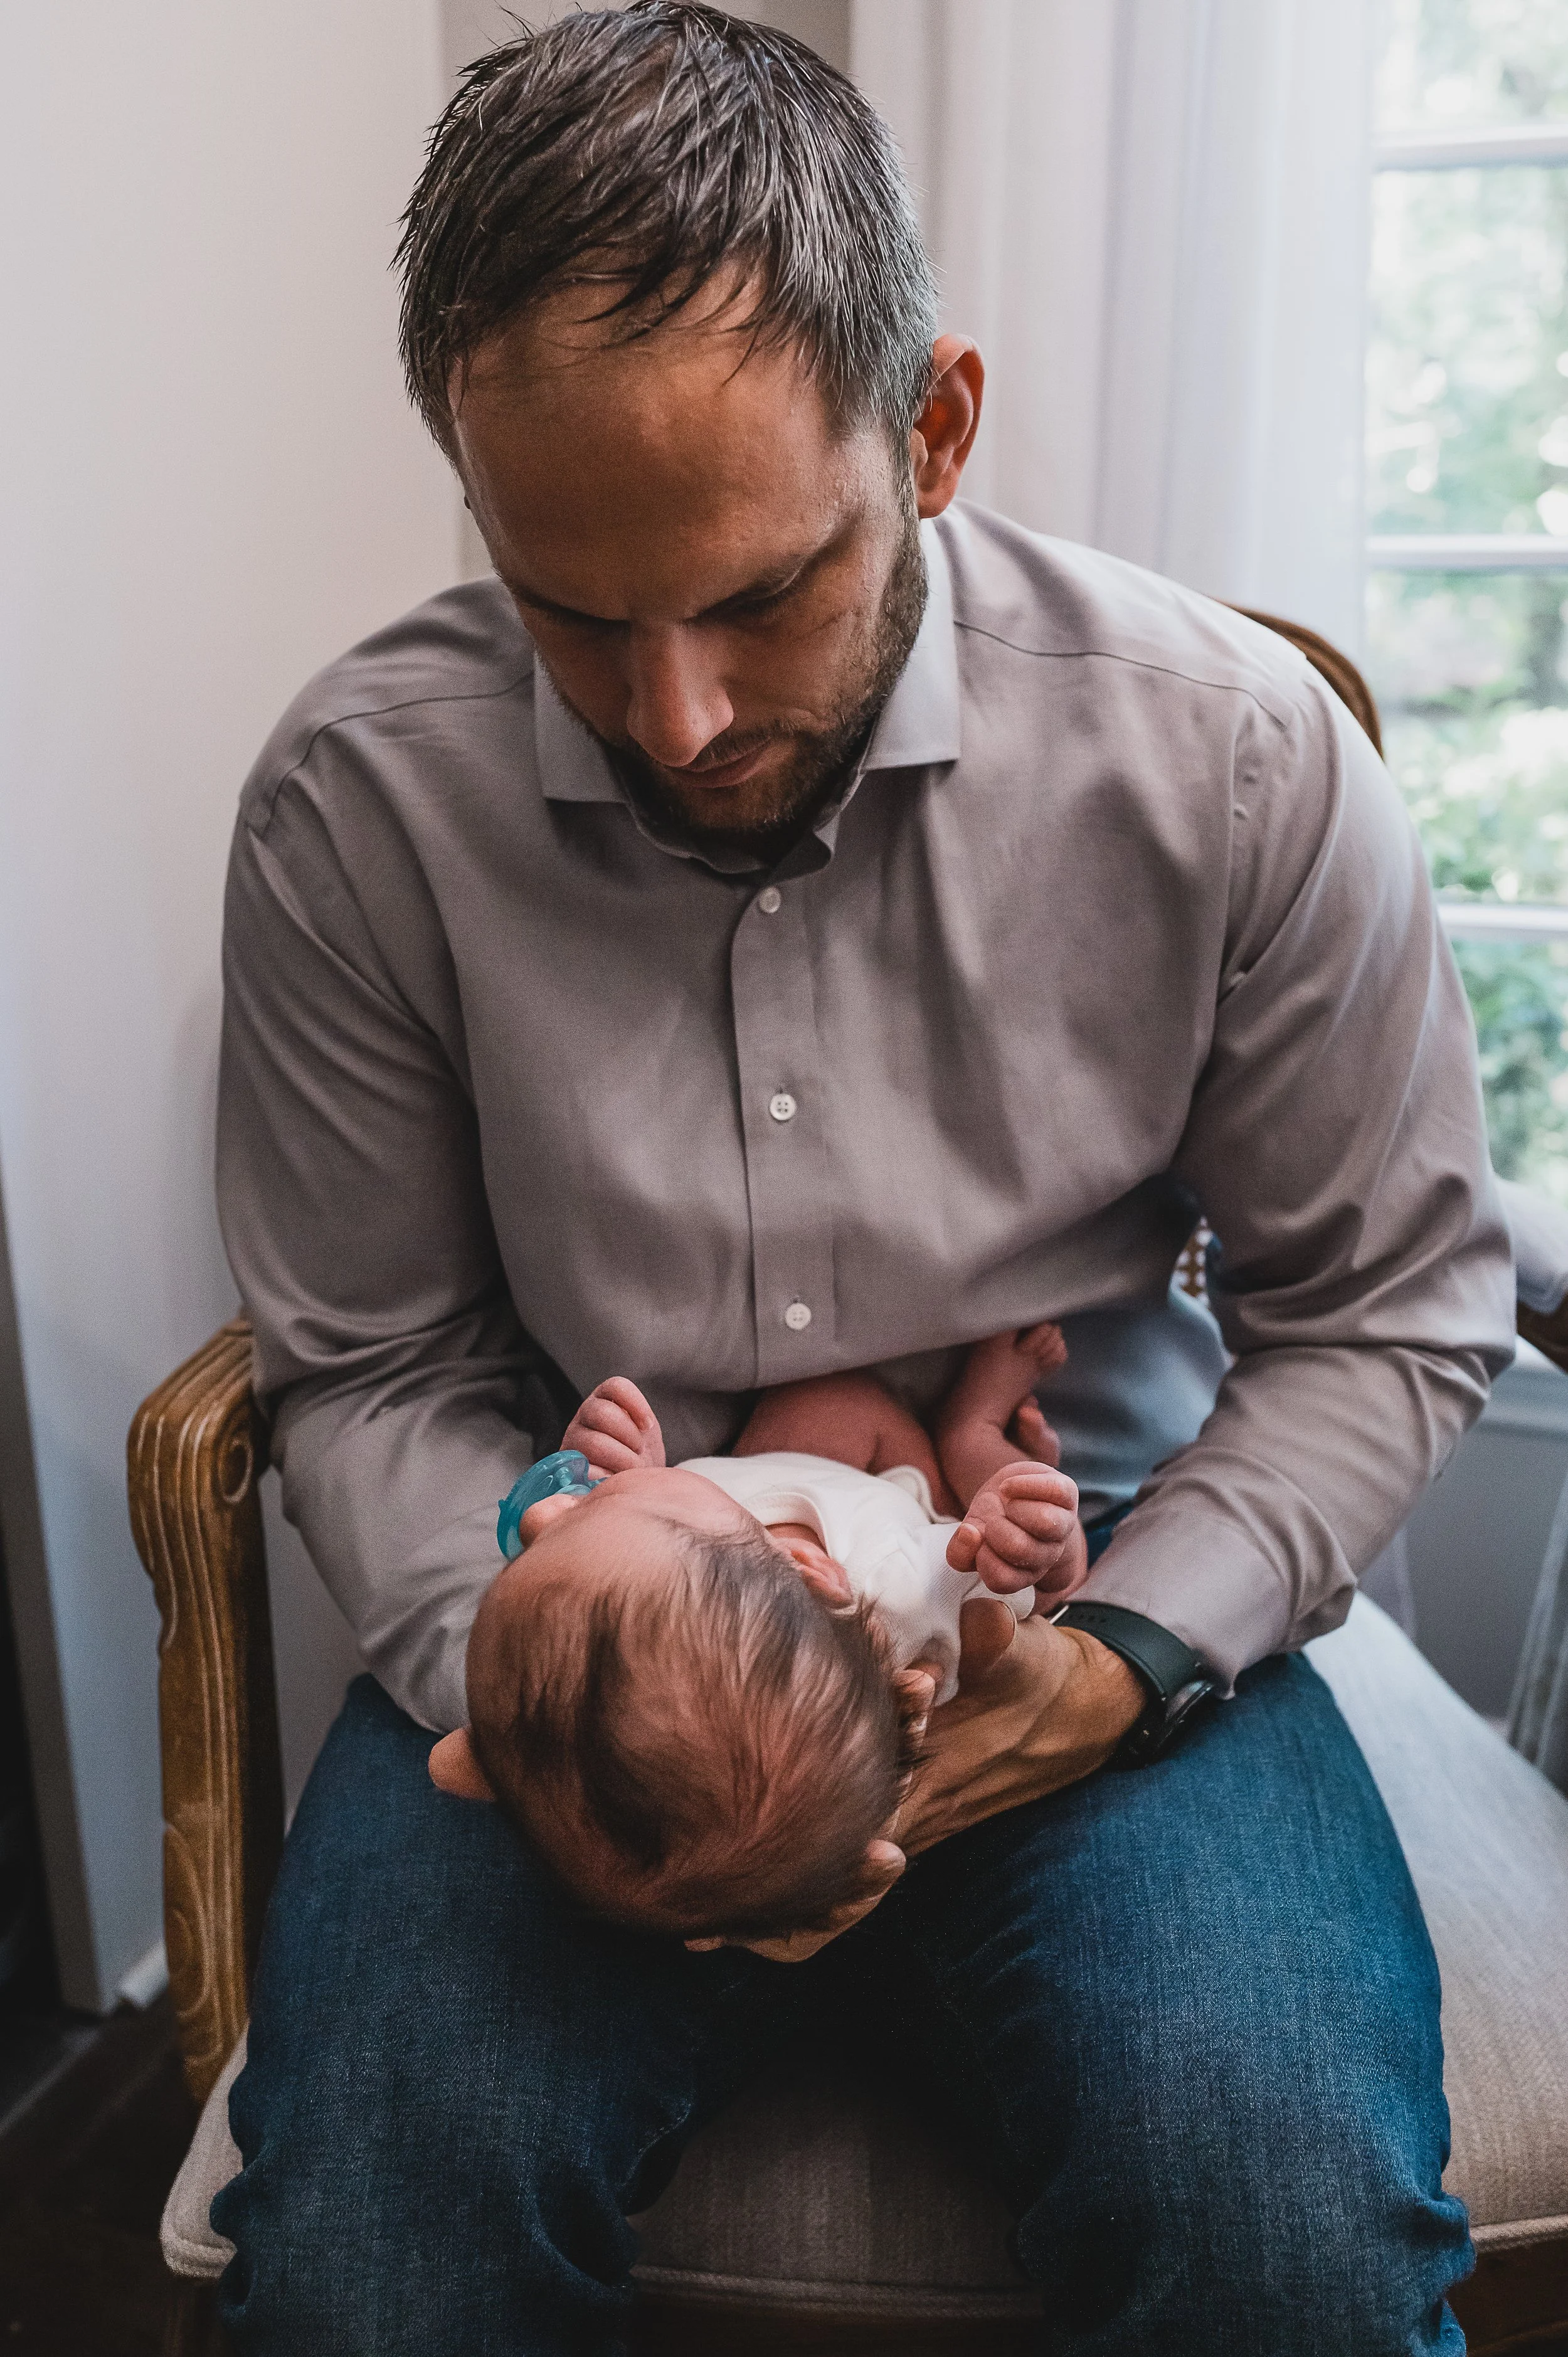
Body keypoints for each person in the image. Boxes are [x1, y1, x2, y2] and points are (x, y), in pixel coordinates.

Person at [211, 6, 1514, 2351]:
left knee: (1280, 2229)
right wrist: (570, 1703)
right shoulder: (357, 803)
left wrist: (1113, 1665)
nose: (676, 717)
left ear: (931, 426)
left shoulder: (1229, 761)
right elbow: (377, 1357)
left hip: (1080, 1606)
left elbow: (1385, 1310)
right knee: (369, 2262)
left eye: (757, 590)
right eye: (574, 613)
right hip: (581, 1659)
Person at [428, 1325, 1087, 1945]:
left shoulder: (659, 1608)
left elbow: (606, 1592)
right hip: (906, 1501)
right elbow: (1017, 1587)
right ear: (810, 1571)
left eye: (534, 1540)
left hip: (738, 1513)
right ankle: (974, 1421)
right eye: (587, 1506)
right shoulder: (903, 1590)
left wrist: (627, 1474)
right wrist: (1020, 1530)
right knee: (858, 1416)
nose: (544, 1508)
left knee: (800, 1417)